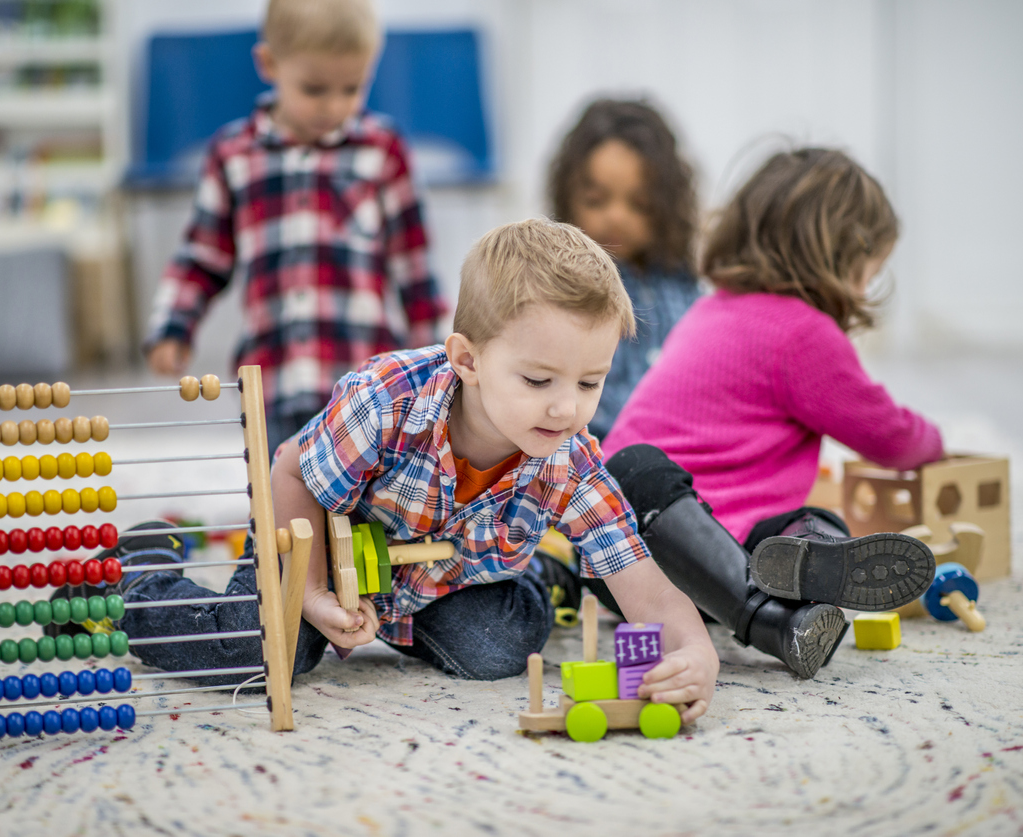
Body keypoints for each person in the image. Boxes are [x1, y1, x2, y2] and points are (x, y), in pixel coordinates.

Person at [93, 220, 721, 723]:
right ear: (467, 360)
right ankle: (132, 579)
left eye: (590, 382)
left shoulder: (568, 457)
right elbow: (290, 474)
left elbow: (647, 586)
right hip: (311, 531)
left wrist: (696, 652)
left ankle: (545, 582)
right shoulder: (387, 401)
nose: (566, 406)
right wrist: (311, 594)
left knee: (496, 652)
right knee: (259, 651)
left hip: (441, 581)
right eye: (537, 380)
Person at [600, 148, 943, 678]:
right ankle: (774, 618)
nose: (865, 290)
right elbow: (891, 438)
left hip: (677, 556)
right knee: (635, 474)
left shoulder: (712, 306)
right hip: (644, 548)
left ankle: (787, 583)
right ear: (846, 258)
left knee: (805, 530)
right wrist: (935, 441)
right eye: (868, 274)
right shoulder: (805, 334)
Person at [143, 0, 449, 447]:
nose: (334, 105)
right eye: (314, 88)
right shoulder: (234, 154)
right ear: (268, 64)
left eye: (351, 88)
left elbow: (415, 269)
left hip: (366, 388)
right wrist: (172, 327)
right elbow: (202, 258)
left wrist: (438, 359)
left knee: (361, 509)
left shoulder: (383, 151)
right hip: (273, 380)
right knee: (280, 504)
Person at [547, 99, 703, 442]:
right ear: (567, 196)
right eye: (596, 200)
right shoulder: (558, 288)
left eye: (639, 204)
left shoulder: (683, 283)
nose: (616, 216)